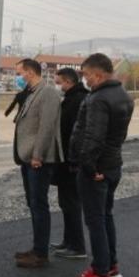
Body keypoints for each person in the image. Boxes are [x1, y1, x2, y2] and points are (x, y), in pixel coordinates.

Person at [69, 53, 135, 277]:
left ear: (97, 74)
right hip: (112, 165)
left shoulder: (98, 99)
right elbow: (118, 136)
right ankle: (110, 265)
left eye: (86, 75)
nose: (84, 80)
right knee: (106, 216)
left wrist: (90, 167)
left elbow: (93, 137)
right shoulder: (124, 96)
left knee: (95, 219)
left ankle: (99, 272)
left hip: (96, 169)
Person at [12, 58, 62, 269]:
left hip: (38, 159)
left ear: (30, 72)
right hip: (27, 157)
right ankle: (36, 248)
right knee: (33, 204)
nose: (18, 77)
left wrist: (38, 156)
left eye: (19, 73)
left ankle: (41, 254)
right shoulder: (33, 92)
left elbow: (46, 126)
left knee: (39, 204)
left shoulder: (48, 92)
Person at [50, 68, 88, 259]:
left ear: (68, 81)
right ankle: (68, 241)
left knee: (71, 203)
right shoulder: (72, 98)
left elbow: (74, 133)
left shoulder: (79, 100)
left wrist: (73, 160)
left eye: (59, 82)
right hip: (65, 160)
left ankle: (77, 246)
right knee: (65, 202)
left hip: (71, 162)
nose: (58, 86)